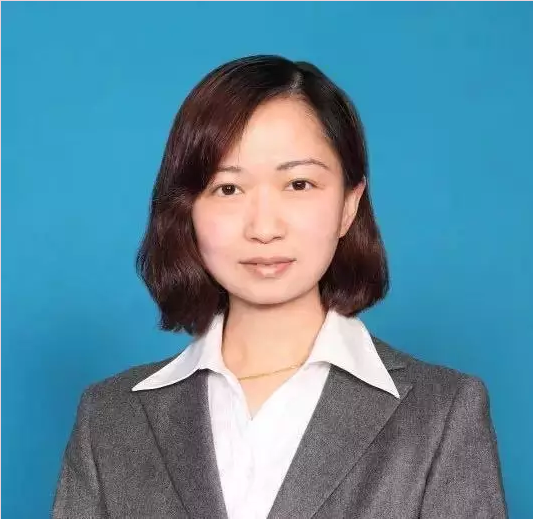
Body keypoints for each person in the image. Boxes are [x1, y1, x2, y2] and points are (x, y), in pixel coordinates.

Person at [52, 55, 508, 519]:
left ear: (349, 206)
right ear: (187, 210)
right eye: (228, 189)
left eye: (299, 184)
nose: (265, 228)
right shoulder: (109, 419)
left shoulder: (441, 414)